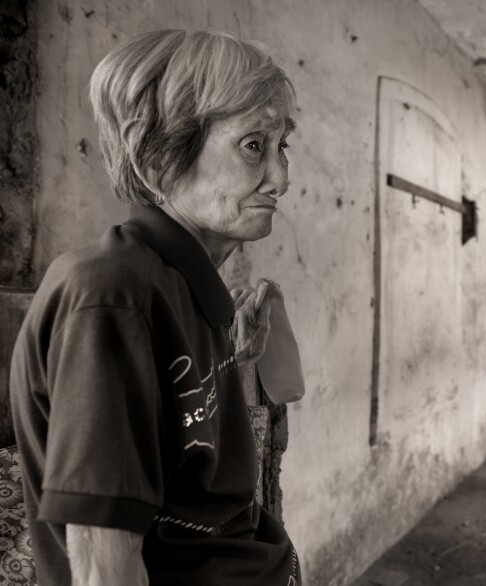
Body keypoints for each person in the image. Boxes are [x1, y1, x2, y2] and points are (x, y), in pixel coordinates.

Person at [9, 30, 302, 585]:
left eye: (282, 144)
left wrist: (237, 360)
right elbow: (104, 565)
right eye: (253, 145)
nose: (281, 177)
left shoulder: (182, 284)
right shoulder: (112, 297)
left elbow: (187, 470)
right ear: (156, 155)